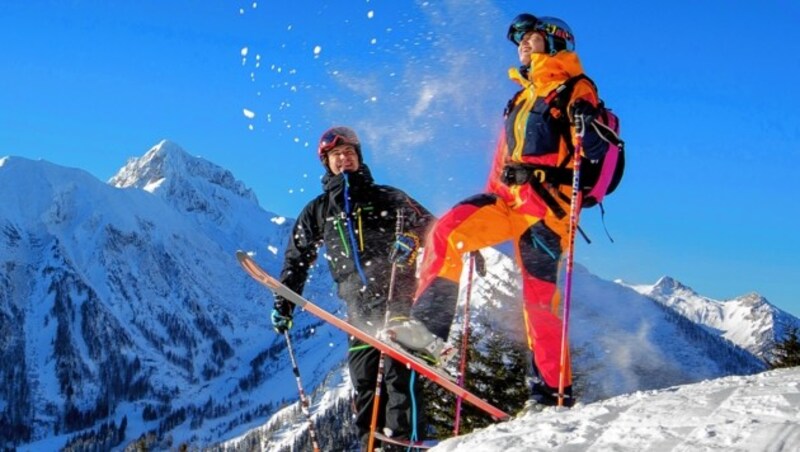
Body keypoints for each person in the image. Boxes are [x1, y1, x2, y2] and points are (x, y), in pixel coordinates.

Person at [387, 13, 611, 409]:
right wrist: (486, 207)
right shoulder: (520, 99)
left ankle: (552, 393)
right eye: (520, 41)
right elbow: (502, 160)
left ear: (557, 42)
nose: (523, 45)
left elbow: (594, 148)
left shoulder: (576, 88)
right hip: (507, 201)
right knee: (447, 231)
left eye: (533, 38)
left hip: (545, 210)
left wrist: (588, 126)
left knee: (538, 303)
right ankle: (427, 330)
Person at [271, 126, 435, 450]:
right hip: (357, 310)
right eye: (336, 156)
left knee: (398, 374)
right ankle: (371, 445)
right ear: (326, 163)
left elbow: (432, 227)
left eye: (349, 154)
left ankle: (405, 443)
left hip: (397, 297)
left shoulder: (388, 196)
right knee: (364, 382)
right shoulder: (319, 211)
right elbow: (297, 260)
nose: (344, 160)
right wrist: (284, 304)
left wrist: (412, 240)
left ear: (359, 158)